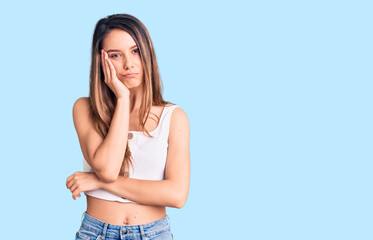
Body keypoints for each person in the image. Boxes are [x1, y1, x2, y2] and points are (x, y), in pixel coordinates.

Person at [66, 13, 190, 240]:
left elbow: (176, 195)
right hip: (95, 233)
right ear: (101, 60)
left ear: (147, 54)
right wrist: (122, 99)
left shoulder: (173, 117)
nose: (128, 64)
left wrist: (96, 182)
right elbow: (107, 169)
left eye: (135, 51)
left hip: (153, 234)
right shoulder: (85, 108)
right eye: (115, 55)